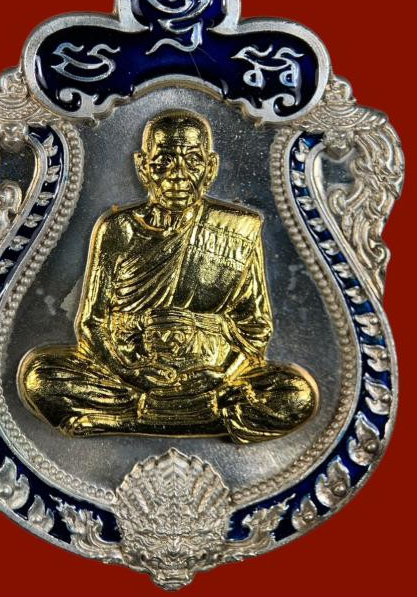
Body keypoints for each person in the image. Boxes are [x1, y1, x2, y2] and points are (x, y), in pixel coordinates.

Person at [18, 109, 317, 443]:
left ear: (210, 167)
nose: (178, 176)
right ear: (143, 167)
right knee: (40, 378)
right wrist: (130, 371)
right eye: (164, 162)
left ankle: (128, 421)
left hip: (212, 377)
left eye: (193, 161)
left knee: (295, 394)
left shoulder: (237, 229)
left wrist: (221, 372)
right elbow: (92, 323)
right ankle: (200, 419)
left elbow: (255, 328)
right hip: (131, 376)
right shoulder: (118, 229)